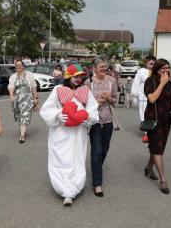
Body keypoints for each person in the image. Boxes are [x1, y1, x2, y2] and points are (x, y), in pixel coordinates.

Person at [40, 64, 99, 206]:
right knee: (60, 159)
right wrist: (58, 115)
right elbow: (47, 109)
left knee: (76, 158)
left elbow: (92, 108)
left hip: (78, 132)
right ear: (68, 76)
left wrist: (88, 119)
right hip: (60, 132)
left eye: (81, 77)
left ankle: (73, 190)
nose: (79, 79)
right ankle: (64, 189)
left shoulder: (85, 91)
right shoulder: (58, 90)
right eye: (76, 76)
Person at [143, 59, 171, 194]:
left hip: (165, 120)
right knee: (158, 149)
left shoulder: (169, 81)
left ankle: (149, 167)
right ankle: (163, 180)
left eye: (168, 68)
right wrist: (161, 84)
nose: (166, 71)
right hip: (154, 120)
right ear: (157, 69)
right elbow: (151, 99)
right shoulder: (150, 81)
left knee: (158, 147)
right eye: (163, 68)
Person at [89, 57, 118, 197]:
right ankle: (97, 183)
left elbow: (115, 101)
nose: (104, 69)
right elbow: (84, 103)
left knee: (105, 149)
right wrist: (96, 102)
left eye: (105, 67)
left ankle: (96, 169)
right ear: (94, 68)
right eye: (101, 67)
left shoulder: (111, 81)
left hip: (108, 121)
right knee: (97, 151)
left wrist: (108, 99)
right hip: (93, 121)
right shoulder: (88, 83)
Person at [8, 59, 38, 143]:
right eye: (16, 65)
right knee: (19, 116)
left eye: (19, 65)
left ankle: (21, 136)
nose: (18, 67)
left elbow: (33, 87)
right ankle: (23, 130)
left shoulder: (29, 75)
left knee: (25, 115)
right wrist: (11, 97)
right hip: (17, 99)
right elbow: (11, 87)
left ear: (23, 66)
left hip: (28, 99)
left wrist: (35, 98)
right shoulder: (13, 76)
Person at [132, 55, 156, 143]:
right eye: (149, 60)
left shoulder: (157, 71)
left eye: (153, 60)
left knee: (155, 114)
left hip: (155, 97)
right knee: (144, 114)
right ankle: (147, 133)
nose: (151, 62)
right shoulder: (141, 71)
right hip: (143, 97)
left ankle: (154, 131)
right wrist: (135, 95)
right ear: (146, 62)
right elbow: (136, 83)